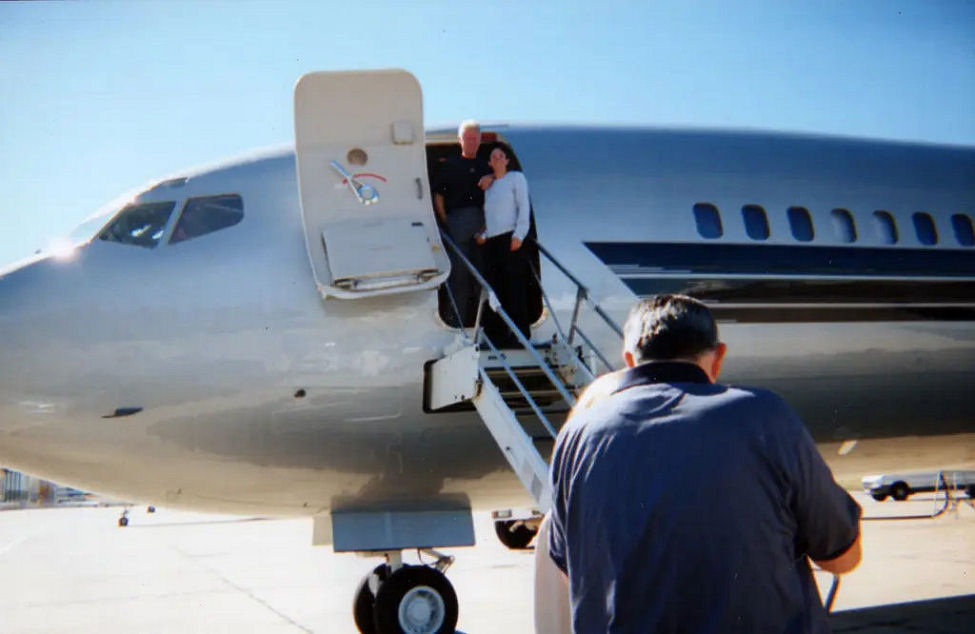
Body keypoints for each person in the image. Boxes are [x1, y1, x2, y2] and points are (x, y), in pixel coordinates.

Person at [543, 294, 862, 633]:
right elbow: (843, 556)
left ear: (628, 359)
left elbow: (571, 570)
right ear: (718, 356)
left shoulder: (576, 432)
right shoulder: (764, 415)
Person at [434, 120, 493, 327]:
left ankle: (480, 324)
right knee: (458, 276)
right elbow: (439, 196)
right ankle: (456, 321)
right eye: (467, 138)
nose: (471, 142)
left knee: (480, 276)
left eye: (474, 138)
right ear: (460, 140)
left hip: (481, 224)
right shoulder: (450, 165)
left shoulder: (486, 166)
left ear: (479, 141)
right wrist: (446, 221)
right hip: (457, 221)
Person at [475, 144, 532, 345]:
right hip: (493, 241)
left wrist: (520, 234)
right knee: (496, 288)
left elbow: (522, 207)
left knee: (514, 287)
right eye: (494, 157)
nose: (498, 159)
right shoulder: (489, 187)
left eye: (501, 156)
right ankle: (497, 334)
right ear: (490, 163)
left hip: (511, 238)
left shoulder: (516, 178)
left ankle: (520, 333)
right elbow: (492, 217)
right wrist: (484, 234)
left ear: (507, 161)